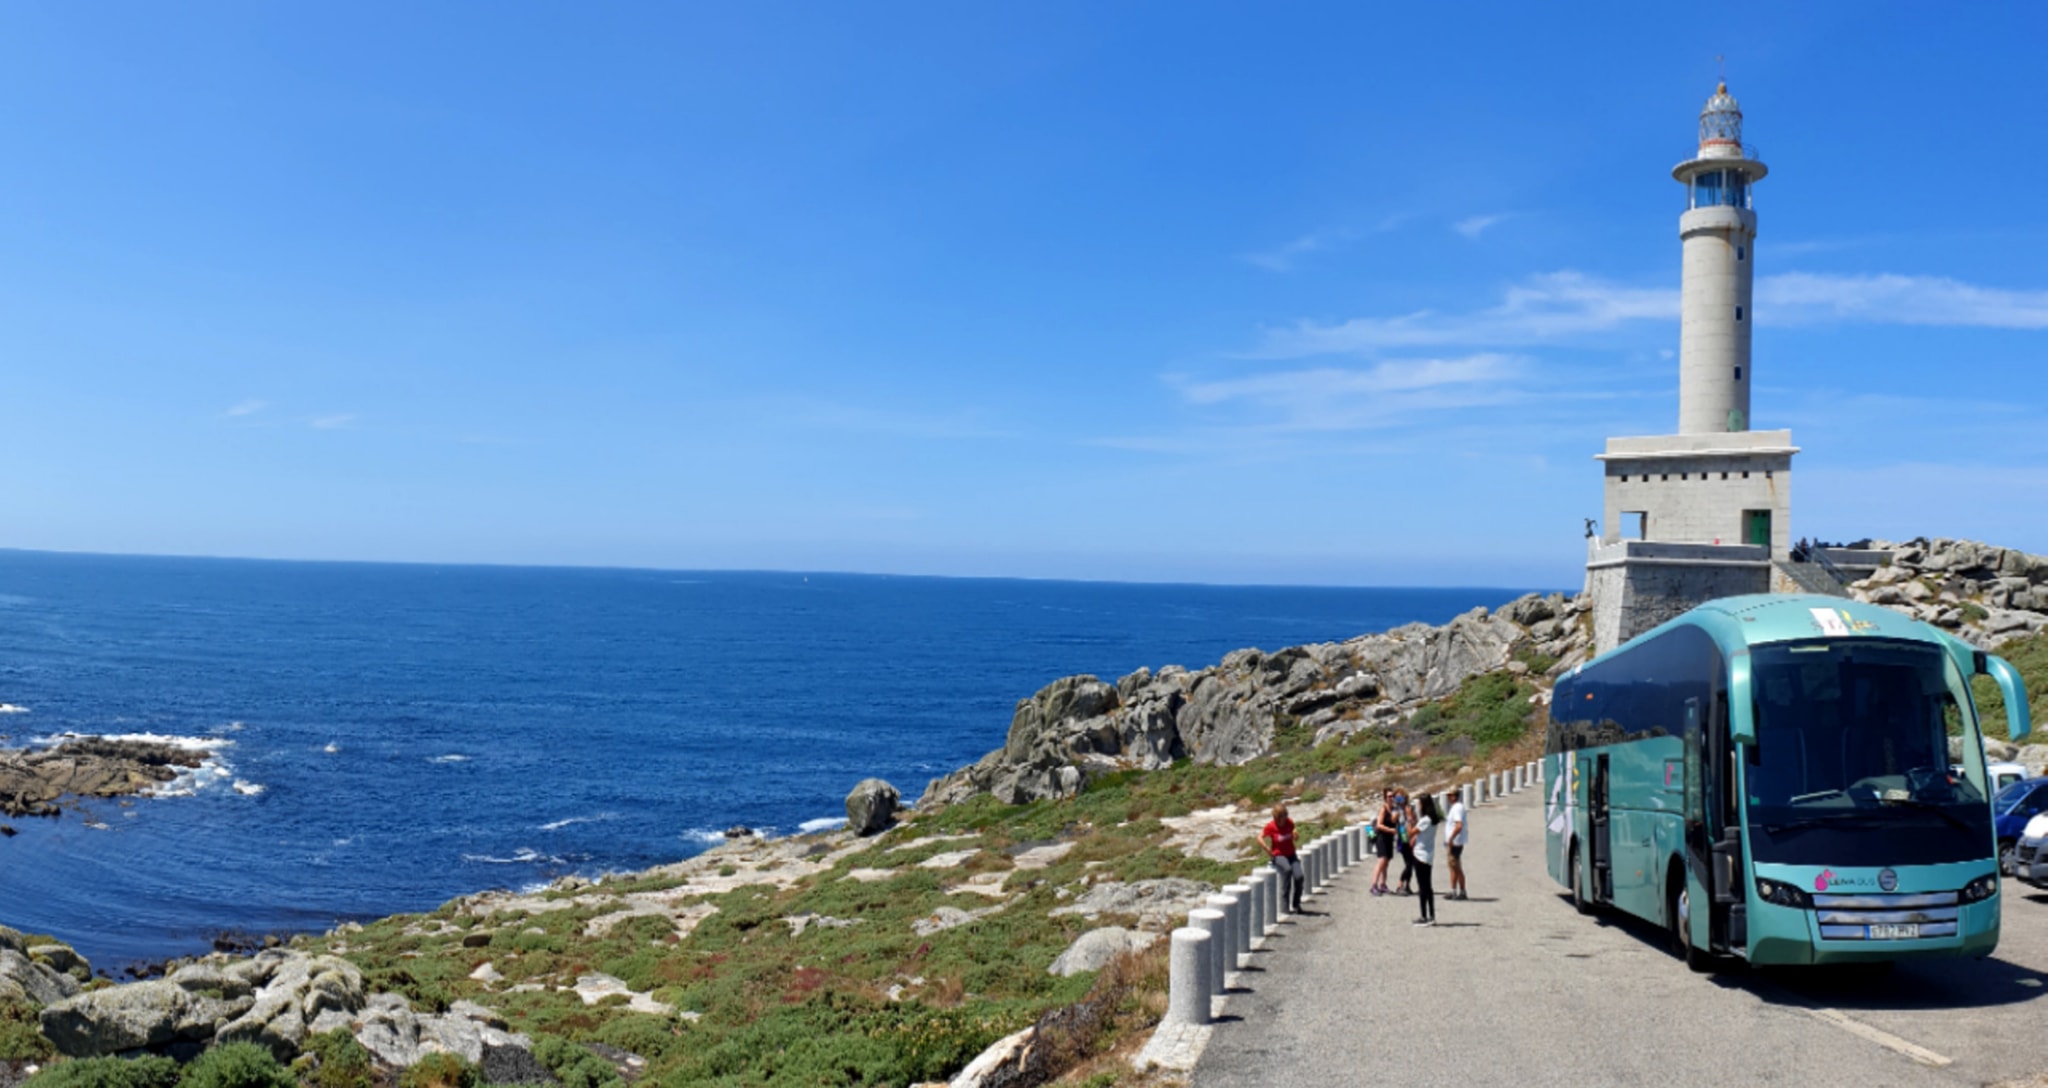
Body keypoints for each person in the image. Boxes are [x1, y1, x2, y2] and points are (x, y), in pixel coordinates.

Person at [1259, 802, 1305, 914]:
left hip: (1291, 854)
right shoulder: (1271, 826)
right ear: (1276, 817)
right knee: (1287, 870)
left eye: (1285, 815)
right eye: (1282, 816)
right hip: (1278, 854)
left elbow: (1294, 834)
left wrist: (1296, 835)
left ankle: (1296, 903)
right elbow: (1260, 837)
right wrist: (1266, 849)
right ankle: (1285, 904)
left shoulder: (1289, 823)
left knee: (1299, 876)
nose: (1284, 818)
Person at [1411, 794, 1441, 926]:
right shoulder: (1433, 819)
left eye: (1419, 804)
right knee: (1428, 886)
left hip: (1420, 854)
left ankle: (1424, 916)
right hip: (1428, 854)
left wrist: (1409, 821)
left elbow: (1411, 832)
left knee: (1422, 887)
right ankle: (1431, 915)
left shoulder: (1425, 820)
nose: (1418, 806)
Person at [1370, 790, 1398, 896]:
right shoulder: (1383, 809)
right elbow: (1379, 825)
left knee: (1386, 863)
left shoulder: (1394, 809)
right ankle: (1374, 885)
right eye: (1389, 796)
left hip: (1389, 838)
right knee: (1381, 861)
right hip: (1382, 838)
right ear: (1385, 798)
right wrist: (1390, 830)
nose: (1391, 798)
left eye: (1393, 796)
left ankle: (1383, 884)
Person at [1446, 790, 1469, 900]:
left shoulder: (1457, 808)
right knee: (1453, 866)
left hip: (1455, 842)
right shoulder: (1456, 807)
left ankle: (1462, 891)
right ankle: (1453, 890)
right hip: (1454, 842)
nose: (1447, 797)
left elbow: (1458, 825)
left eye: (1449, 795)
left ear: (1454, 796)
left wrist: (1451, 838)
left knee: (1456, 867)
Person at [1394, 790, 1416, 895]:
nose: (1399, 800)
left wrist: (1410, 816)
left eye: (1400, 798)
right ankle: (1400, 884)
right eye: (1396, 798)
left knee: (1411, 863)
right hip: (1402, 835)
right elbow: (1394, 821)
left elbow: (1414, 821)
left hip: (1411, 835)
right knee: (1408, 863)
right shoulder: (1396, 809)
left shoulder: (1410, 808)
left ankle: (1408, 885)